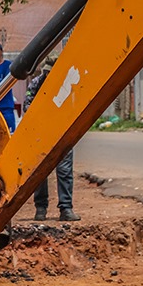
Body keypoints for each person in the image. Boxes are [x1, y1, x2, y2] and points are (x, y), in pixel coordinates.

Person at [25, 57, 81, 222]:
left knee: (64, 171)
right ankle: (40, 208)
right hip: (41, 133)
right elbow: (28, 107)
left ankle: (66, 208)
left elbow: (73, 107)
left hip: (61, 132)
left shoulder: (67, 84)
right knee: (40, 172)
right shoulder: (36, 83)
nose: (49, 75)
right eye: (47, 72)